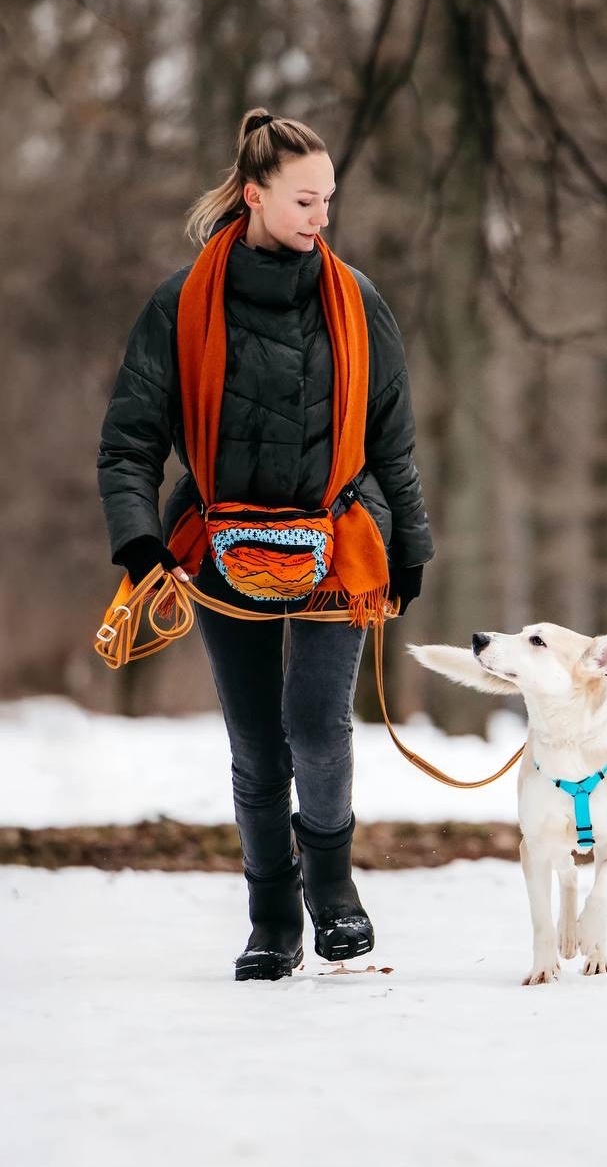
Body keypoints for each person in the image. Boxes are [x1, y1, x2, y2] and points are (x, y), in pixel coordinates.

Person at [98, 109, 434, 981]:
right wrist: (138, 542)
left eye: (329, 199)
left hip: (339, 540)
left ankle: (335, 893)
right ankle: (271, 920)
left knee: (317, 730)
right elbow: (130, 441)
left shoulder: (358, 300)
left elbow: (392, 441)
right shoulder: (181, 303)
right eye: (304, 199)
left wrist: (410, 545)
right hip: (218, 545)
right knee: (256, 743)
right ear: (253, 195)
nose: (322, 215)